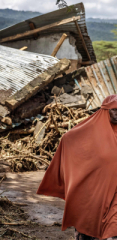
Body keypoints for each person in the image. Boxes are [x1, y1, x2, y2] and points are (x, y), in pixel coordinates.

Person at [37, 95, 117, 240]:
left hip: (114, 194)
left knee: (112, 230)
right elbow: (69, 139)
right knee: (87, 226)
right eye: (114, 110)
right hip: (92, 192)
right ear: (105, 110)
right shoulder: (90, 131)